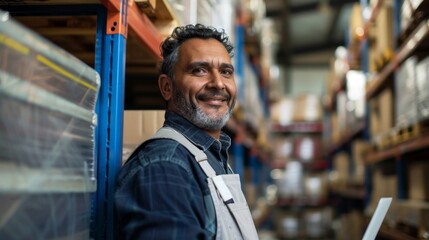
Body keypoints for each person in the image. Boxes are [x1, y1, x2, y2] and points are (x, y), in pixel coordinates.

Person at [114, 24, 259, 240]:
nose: (218, 83)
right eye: (199, 70)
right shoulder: (164, 166)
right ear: (167, 87)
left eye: (226, 72)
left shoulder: (212, 157)